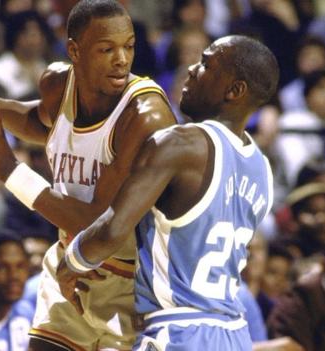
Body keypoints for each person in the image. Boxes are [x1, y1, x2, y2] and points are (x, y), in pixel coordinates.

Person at [0, 0, 177, 349]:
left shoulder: (145, 115)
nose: (122, 59)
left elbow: (98, 222)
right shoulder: (58, 83)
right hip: (70, 262)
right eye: (107, 49)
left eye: (129, 46)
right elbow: (41, 122)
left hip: (132, 284)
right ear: (74, 51)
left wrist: (7, 169)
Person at [56, 35, 282, 350]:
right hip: (234, 334)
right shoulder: (262, 169)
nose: (191, 69)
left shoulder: (179, 144)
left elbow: (113, 229)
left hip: (178, 331)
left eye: (206, 64)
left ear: (235, 90)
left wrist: (71, 262)